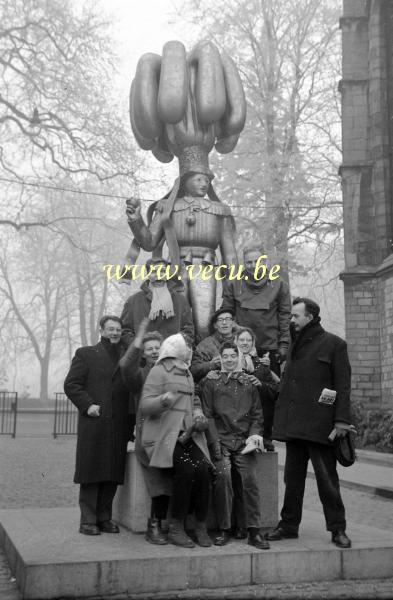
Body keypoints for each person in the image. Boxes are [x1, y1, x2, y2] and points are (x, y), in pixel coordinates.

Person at [266, 298, 352, 548]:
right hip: (295, 427)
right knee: (292, 481)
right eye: (291, 315)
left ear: (310, 317)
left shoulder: (335, 345)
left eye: (295, 316)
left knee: (327, 481)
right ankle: (289, 526)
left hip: (321, 427)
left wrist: (342, 422)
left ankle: (338, 529)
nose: (291, 320)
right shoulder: (295, 346)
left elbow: (342, 387)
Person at [125, 153, 238, 341]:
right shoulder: (167, 207)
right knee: (176, 317)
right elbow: (149, 242)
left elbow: (229, 252)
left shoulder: (220, 210)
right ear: (185, 180)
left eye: (207, 180)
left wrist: (233, 283)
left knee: (204, 320)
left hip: (206, 267)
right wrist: (135, 219)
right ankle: (176, 357)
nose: (205, 183)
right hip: (175, 268)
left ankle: (202, 360)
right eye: (199, 179)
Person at [139, 333, 212, 548]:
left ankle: (200, 526)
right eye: (187, 346)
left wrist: (198, 412)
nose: (190, 349)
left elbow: (194, 398)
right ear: (176, 348)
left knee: (204, 471)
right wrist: (163, 400)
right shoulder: (158, 371)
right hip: (164, 437)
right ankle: (176, 527)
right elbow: (145, 405)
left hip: (187, 435)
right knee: (187, 470)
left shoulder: (187, 372)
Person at [64, 315, 131, 535]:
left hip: (118, 425)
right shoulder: (86, 354)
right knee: (92, 472)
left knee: (111, 473)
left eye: (118, 330)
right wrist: (88, 405)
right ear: (100, 330)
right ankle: (87, 520)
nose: (114, 333)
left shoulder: (125, 356)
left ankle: (104, 518)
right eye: (110, 329)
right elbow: (71, 384)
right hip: (95, 423)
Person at [201, 341, 270, 550]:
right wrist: (214, 443)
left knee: (250, 480)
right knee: (223, 477)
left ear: (239, 358)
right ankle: (224, 528)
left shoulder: (248, 383)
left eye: (233, 356)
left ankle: (254, 530)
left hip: (243, 441)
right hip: (221, 441)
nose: (229, 360)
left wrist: (254, 437)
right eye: (226, 356)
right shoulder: (211, 383)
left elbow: (257, 416)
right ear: (220, 359)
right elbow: (208, 415)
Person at [221, 246, 291, 449]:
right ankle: (240, 437)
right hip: (240, 348)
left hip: (268, 349)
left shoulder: (280, 285)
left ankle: (266, 437)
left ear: (265, 262)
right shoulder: (233, 284)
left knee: (267, 396)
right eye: (249, 262)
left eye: (257, 261)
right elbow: (226, 313)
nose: (253, 266)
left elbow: (285, 317)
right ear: (244, 263)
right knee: (239, 394)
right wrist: (234, 338)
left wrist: (283, 346)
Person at [119, 319, 168, 545]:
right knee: (159, 479)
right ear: (144, 354)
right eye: (149, 349)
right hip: (149, 438)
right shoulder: (140, 375)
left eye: (157, 347)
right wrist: (139, 339)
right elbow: (125, 366)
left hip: (173, 434)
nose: (154, 351)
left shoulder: (173, 369)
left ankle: (175, 524)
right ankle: (154, 525)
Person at [120, 256, 194, 346]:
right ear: (148, 274)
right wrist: (140, 349)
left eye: (162, 271)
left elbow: (188, 331)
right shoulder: (134, 301)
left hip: (171, 356)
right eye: (154, 271)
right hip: (143, 357)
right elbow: (125, 331)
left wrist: (173, 349)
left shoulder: (180, 301)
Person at [190, 307, 236, 383]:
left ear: (233, 323)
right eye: (220, 320)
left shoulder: (242, 340)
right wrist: (211, 365)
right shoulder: (205, 345)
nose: (224, 323)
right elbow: (194, 369)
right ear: (215, 325)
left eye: (228, 319)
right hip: (215, 385)